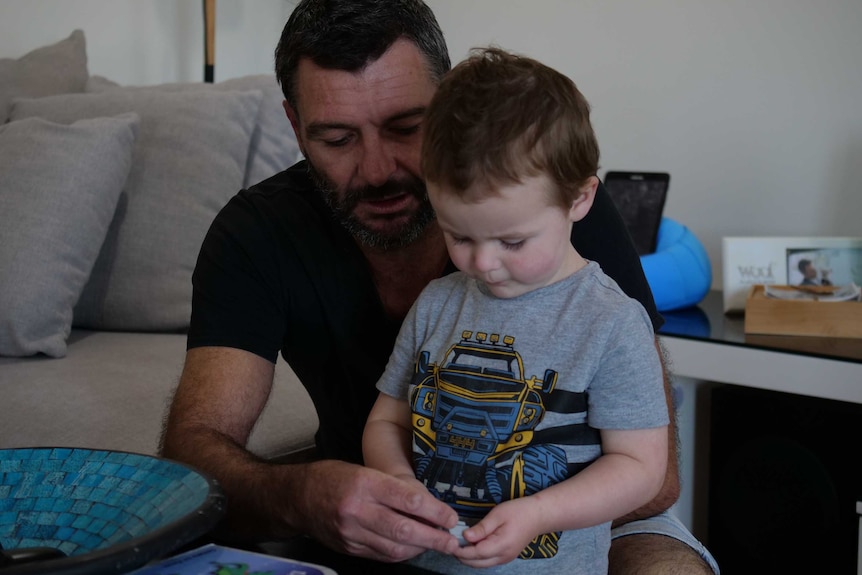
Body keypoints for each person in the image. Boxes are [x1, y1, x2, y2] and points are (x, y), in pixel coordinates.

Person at [160, 1, 719, 573]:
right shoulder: (264, 236)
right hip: (408, 525)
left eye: (406, 128)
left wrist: (528, 513)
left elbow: (650, 481)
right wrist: (313, 493)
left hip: (583, 524)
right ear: (295, 126)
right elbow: (196, 459)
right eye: (337, 138)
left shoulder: (552, 211)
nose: (378, 169)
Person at [362, 47, 670, 575]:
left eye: (512, 240)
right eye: (458, 235)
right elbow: (387, 419)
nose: (482, 262)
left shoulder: (610, 322)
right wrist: (399, 482)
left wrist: (538, 513)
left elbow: (641, 467)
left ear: (579, 199)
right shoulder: (438, 301)